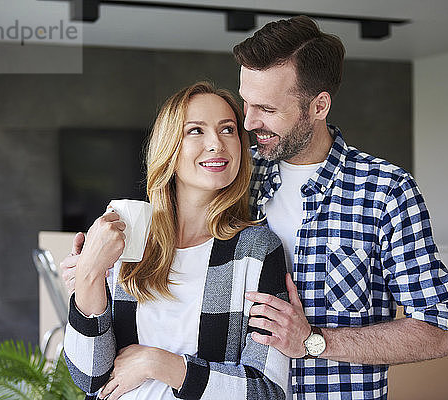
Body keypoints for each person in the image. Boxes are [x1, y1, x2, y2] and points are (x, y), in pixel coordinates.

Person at [232, 16, 448, 399]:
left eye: (266, 108)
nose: (248, 120)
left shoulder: (386, 191)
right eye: (246, 102)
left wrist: (313, 340)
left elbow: (435, 332)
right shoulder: (236, 179)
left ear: (319, 106)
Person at [62, 82, 289, 400]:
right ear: (169, 145)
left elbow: (267, 392)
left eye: (228, 129)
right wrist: (89, 276)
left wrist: (156, 363)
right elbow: (88, 377)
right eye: (196, 130)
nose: (216, 144)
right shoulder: (125, 237)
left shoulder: (256, 251)